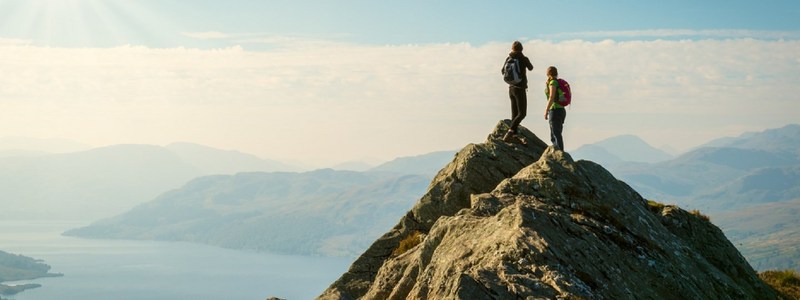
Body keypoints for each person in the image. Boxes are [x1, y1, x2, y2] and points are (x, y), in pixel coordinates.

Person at [502, 41, 534, 142]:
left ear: (512, 49)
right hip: (520, 89)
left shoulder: (508, 58)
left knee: (514, 114)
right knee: (522, 113)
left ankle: (514, 135)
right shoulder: (523, 58)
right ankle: (510, 132)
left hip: (511, 88)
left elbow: (503, 71)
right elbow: (531, 68)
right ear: (522, 49)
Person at [544, 66, 567, 151]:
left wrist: (546, 110)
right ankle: (559, 152)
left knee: (555, 134)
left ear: (548, 74)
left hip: (555, 110)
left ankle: (559, 154)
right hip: (561, 110)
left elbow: (551, 97)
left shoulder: (553, 82)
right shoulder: (557, 82)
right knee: (557, 133)